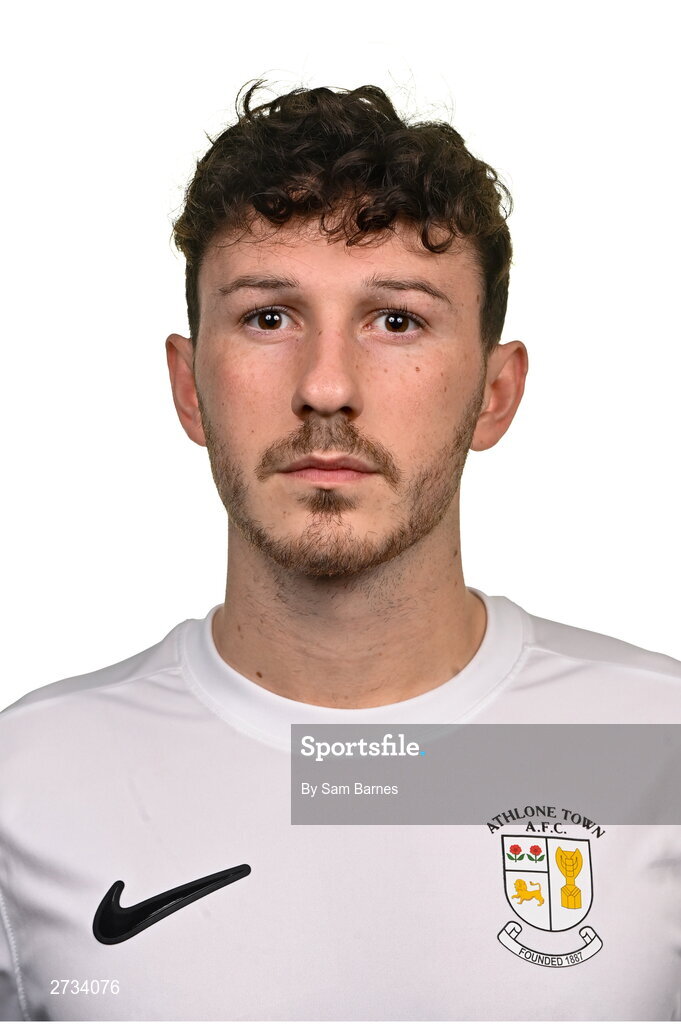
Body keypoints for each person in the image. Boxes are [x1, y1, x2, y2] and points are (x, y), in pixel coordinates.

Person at [1, 81, 680, 1023]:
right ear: (189, 388)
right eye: (268, 317)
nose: (326, 386)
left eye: (395, 319)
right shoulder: (30, 780)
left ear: (494, 393)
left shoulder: (657, 748)